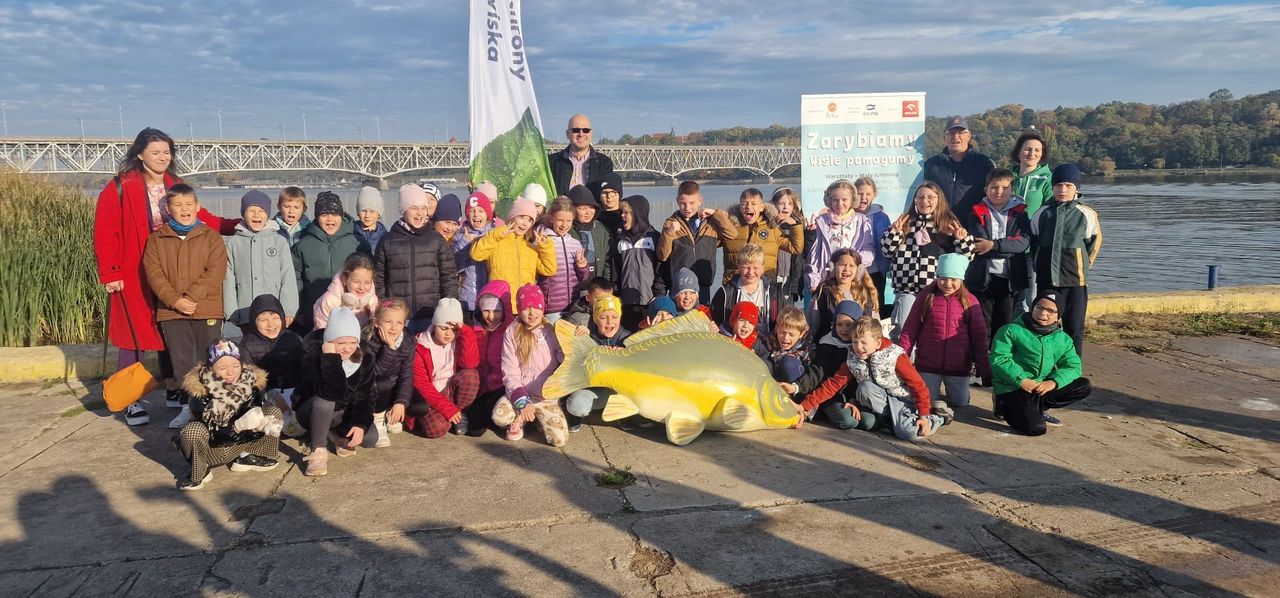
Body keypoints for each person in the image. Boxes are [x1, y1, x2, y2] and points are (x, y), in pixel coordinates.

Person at [93, 127, 235, 426]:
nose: (162, 157)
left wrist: (236, 224)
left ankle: (175, 390)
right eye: (155, 152)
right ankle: (131, 400)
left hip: (172, 269)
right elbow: (106, 230)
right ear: (140, 154)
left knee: (169, 327)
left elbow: (200, 217)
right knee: (132, 336)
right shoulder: (120, 186)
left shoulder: (175, 184)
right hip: (132, 272)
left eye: (166, 152)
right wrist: (110, 271)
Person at [141, 184, 228, 430]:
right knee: (181, 360)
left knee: (209, 357)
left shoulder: (211, 236)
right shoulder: (157, 239)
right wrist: (176, 300)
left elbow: (216, 272)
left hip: (206, 308)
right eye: (178, 205)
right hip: (172, 311)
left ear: (198, 207)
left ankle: (213, 405)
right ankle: (187, 407)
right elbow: (154, 274)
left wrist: (191, 296)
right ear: (168, 209)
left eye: (189, 204)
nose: (184, 209)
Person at [798, 317, 951, 439]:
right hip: (880, 399)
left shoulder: (894, 356)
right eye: (854, 342)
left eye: (864, 342)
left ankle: (936, 417)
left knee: (906, 432)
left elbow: (917, 384)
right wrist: (805, 405)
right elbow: (833, 384)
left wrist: (923, 415)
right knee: (865, 387)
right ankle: (892, 421)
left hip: (902, 399)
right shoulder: (853, 358)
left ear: (878, 342)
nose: (858, 347)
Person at [174, 339, 283, 490]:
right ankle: (200, 471)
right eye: (222, 368)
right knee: (192, 430)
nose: (231, 372)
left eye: (235, 366)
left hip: (241, 444)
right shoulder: (200, 392)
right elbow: (212, 435)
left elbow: (254, 419)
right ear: (210, 368)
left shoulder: (250, 385)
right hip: (212, 449)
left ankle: (250, 456)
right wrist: (237, 427)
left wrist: (261, 425)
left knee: (273, 412)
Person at [882, 182, 976, 340]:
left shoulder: (948, 225)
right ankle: (904, 364)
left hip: (935, 291)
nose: (925, 201)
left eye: (930, 197)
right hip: (907, 289)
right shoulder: (904, 224)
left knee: (933, 332)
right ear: (915, 201)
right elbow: (887, 251)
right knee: (903, 331)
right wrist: (894, 233)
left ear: (939, 200)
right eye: (921, 197)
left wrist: (962, 239)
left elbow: (967, 257)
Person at [990, 291, 1093, 434]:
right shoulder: (1010, 330)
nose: (1043, 313)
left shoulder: (1063, 339)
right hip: (1013, 386)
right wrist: (1022, 380)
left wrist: (1053, 382)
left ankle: (1039, 408)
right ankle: (1002, 403)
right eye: (1039, 307)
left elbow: (1073, 367)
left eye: (1051, 310)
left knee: (1083, 386)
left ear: (1058, 316)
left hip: (1040, 386)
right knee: (1035, 429)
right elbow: (999, 359)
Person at [897, 254, 993, 408]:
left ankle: (960, 393)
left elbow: (979, 339)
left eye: (953, 279)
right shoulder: (926, 297)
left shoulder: (970, 301)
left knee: (959, 403)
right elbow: (910, 329)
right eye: (943, 278)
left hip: (958, 366)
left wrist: (986, 371)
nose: (948, 284)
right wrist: (902, 361)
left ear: (961, 280)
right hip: (928, 363)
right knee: (927, 402)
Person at [1030, 164, 1101, 358]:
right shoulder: (1042, 213)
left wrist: (1082, 267)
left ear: (1076, 188)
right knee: (1043, 324)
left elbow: (1093, 244)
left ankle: (1071, 369)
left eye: (1068, 185)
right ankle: (1043, 365)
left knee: (1074, 327)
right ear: (1052, 187)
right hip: (1046, 280)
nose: (1063, 190)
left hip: (1074, 281)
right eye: (1059, 185)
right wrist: (1039, 265)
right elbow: (1034, 242)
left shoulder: (1086, 214)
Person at [294, 307, 375, 477]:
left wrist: (360, 424)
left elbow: (365, 395)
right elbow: (332, 393)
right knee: (325, 402)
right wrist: (330, 359)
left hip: (339, 413)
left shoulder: (364, 357)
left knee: (370, 438)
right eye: (341, 343)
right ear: (329, 342)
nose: (347, 349)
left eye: (352, 342)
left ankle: (335, 433)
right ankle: (318, 449)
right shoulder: (313, 355)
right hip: (312, 411)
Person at [492, 285, 569, 446]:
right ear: (519, 309)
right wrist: (522, 402)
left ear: (543, 308)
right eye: (526, 308)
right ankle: (521, 418)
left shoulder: (552, 331)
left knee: (559, 440)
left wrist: (576, 337)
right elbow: (510, 372)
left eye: (536, 307)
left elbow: (567, 359)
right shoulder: (512, 332)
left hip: (546, 395)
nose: (532, 313)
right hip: (522, 391)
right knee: (499, 416)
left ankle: (538, 418)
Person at [373, 184, 458, 332]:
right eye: (414, 208)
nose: (419, 213)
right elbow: (379, 278)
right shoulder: (387, 241)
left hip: (431, 313)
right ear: (404, 210)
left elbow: (448, 277)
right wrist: (385, 306)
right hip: (398, 317)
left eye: (423, 208)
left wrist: (448, 308)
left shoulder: (436, 240)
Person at [291, 191, 371, 334]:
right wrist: (299, 310)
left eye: (334, 215)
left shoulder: (357, 244)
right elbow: (296, 279)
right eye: (324, 215)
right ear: (316, 217)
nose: (329, 219)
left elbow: (369, 278)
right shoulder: (303, 244)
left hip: (351, 314)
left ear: (341, 215)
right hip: (314, 314)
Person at [965, 169, 1032, 342]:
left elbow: (1022, 243)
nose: (999, 191)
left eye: (1004, 187)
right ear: (986, 189)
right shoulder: (976, 212)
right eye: (994, 187)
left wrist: (994, 245)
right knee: (982, 325)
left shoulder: (1020, 214)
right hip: (983, 277)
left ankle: (1000, 363)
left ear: (1012, 190)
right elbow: (980, 242)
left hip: (1010, 279)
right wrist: (1006, 243)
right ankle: (982, 365)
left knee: (1005, 325)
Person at [405, 298, 482, 438]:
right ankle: (444, 417)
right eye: (443, 328)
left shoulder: (459, 340)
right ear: (435, 325)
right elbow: (421, 385)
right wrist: (447, 409)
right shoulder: (420, 346)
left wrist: (466, 332)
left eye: (454, 330)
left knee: (471, 375)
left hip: (450, 391)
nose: (448, 334)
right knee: (437, 429)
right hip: (430, 395)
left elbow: (470, 364)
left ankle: (460, 413)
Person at [223, 190, 298, 332]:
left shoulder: (278, 241)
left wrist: (288, 309)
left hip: (274, 312)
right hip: (245, 311)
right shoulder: (233, 243)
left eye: (261, 210)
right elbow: (228, 279)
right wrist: (231, 311)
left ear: (268, 214)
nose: (256, 215)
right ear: (243, 213)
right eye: (251, 210)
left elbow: (288, 277)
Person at [470, 197, 558, 312]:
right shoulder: (497, 241)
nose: (525, 223)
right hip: (499, 306)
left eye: (530, 220)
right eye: (522, 217)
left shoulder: (530, 248)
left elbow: (549, 269)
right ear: (512, 216)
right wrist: (497, 235)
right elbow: (476, 254)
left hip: (524, 307)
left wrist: (545, 247)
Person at [658, 181, 736, 304]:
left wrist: (716, 213)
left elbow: (732, 234)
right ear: (677, 201)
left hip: (703, 283)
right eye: (683, 203)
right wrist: (669, 233)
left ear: (700, 201)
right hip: (680, 286)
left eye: (692, 203)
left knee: (702, 318)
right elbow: (662, 256)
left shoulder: (711, 222)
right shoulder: (670, 223)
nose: (687, 208)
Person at [563, 294, 631, 432]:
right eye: (603, 317)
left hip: (619, 391)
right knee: (577, 406)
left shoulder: (629, 338)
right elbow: (572, 367)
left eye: (614, 317)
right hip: (594, 389)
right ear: (595, 319)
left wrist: (623, 355)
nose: (609, 322)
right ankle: (573, 414)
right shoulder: (588, 336)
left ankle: (625, 415)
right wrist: (580, 341)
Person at [238, 294, 304, 432]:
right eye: (263, 320)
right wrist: (270, 394)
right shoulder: (246, 345)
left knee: (299, 427)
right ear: (253, 321)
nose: (271, 324)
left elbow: (306, 369)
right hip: (267, 395)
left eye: (275, 318)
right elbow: (250, 379)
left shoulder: (293, 338)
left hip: (295, 392)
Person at [793, 301, 861, 426]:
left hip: (854, 397)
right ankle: (821, 409)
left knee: (867, 421)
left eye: (849, 325)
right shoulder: (827, 344)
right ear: (834, 325)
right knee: (848, 421)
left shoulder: (861, 346)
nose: (844, 329)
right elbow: (816, 372)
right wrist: (796, 387)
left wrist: (854, 400)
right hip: (828, 395)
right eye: (840, 324)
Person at [1010, 130, 1053, 316]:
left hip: (1032, 249)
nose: (1032, 153)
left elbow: (1052, 210)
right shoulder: (1007, 178)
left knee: (1031, 299)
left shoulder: (1048, 179)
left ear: (1042, 154)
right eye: (1027, 149)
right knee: (1010, 300)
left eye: (1037, 150)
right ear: (1018, 152)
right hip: (1008, 247)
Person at [722, 188, 804, 285]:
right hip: (734, 284)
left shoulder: (771, 227)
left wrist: (795, 225)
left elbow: (796, 248)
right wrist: (717, 217)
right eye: (744, 204)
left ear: (761, 207)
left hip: (765, 283)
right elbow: (709, 244)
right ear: (739, 207)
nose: (748, 207)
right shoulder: (730, 226)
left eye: (753, 204)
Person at [361, 299, 415, 448]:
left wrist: (400, 402)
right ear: (377, 322)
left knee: (420, 407)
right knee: (382, 382)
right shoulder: (368, 339)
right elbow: (374, 373)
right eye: (388, 322)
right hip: (373, 389)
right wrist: (390, 348)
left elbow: (407, 374)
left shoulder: (408, 341)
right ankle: (378, 420)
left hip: (393, 388)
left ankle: (390, 412)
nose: (393, 327)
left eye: (399, 322)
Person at [805, 180, 874, 294]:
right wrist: (814, 282)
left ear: (852, 200)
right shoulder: (821, 222)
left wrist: (852, 260)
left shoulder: (861, 221)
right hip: (827, 280)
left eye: (844, 200)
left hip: (853, 282)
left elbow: (869, 251)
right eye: (835, 200)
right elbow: (814, 256)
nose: (840, 204)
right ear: (829, 201)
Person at [611, 194, 664, 331]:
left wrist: (657, 296)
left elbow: (661, 270)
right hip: (626, 302)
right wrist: (617, 294)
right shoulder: (620, 239)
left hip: (649, 302)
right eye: (622, 212)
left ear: (638, 214)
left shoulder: (655, 238)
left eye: (626, 212)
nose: (622, 215)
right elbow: (615, 270)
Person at [923, 116, 995, 212]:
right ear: (945, 137)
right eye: (951, 133)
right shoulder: (931, 165)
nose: (955, 136)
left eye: (961, 132)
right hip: (940, 224)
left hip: (974, 224)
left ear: (969, 136)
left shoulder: (984, 163)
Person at [470, 281, 514, 437]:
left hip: (504, 386)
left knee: (492, 409)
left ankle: (509, 418)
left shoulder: (510, 331)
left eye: (497, 311)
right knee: (474, 429)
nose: (491, 316)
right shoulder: (476, 330)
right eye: (486, 311)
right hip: (483, 386)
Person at [808, 249, 879, 339]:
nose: (846, 269)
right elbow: (812, 324)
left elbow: (876, 325)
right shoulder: (823, 294)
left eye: (851, 266)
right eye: (842, 265)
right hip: (830, 345)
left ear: (859, 270)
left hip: (859, 346)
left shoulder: (865, 294)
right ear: (832, 267)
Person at [538, 197, 590, 320]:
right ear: (551, 218)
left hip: (574, 307)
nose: (564, 225)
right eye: (560, 220)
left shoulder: (575, 243)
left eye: (568, 221)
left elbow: (583, 277)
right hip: (551, 308)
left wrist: (582, 267)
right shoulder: (543, 241)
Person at [711, 244, 778, 335]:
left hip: (765, 344)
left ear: (763, 268)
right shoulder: (726, 292)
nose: (750, 272)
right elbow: (716, 321)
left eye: (755, 268)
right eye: (746, 267)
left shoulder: (775, 292)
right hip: (735, 343)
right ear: (738, 266)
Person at [453, 191, 501, 316]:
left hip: (491, 300)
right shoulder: (460, 236)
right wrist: (464, 243)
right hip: (467, 299)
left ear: (487, 214)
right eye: (472, 211)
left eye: (480, 211)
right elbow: (455, 264)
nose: (476, 215)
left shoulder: (495, 235)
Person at [852, 177, 894, 319]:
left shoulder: (882, 217)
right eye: (860, 194)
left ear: (874, 194)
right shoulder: (848, 216)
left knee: (875, 307)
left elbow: (888, 243)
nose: (863, 197)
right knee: (855, 307)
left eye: (868, 194)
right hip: (852, 272)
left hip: (875, 271)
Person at [549, 114, 615, 196]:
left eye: (586, 130)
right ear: (567, 134)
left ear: (591, 133)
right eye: (575, 130)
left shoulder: (604, 163)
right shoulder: (552, 161)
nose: (581, 134)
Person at [312, 253, 378, 330]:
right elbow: (321, 327)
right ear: (345, 279)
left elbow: (372, 328)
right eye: (356, 281)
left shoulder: (372, 300)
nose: (362, 287)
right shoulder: (330, 300)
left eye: (367, 282)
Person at [762, 306, 813, 398]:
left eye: (791, 334)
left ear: (801, 334)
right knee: (765, 362)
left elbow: (811, 376)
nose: (786, 338)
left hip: (798, 387)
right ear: (776, 328)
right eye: (782, 332)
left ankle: (798, 401)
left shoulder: (806, 349)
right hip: (775, 385)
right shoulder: (768, 341)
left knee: (789, 362)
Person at [568, 185, 613, 281]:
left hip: (597, 286)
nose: (588, 212)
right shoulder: (566, 230)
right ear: (572, 209)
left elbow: (607, 261)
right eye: (582, 208)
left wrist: (605, 283)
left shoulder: (601, 230)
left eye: (592, 207)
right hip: (573, 286)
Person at [770, 187, 806, 304]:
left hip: (790, 278)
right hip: (772, 274)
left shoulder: (799, 225)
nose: (786, 207)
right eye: (781, 203)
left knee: (787, 311)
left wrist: (795, 225)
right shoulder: (769, 225)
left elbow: (803, 250)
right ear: (774, 205)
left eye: (790, 203)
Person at [353, 186, 388, 252]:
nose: (367, 215)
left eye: (372, 211)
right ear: (358, 212)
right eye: (363, 211)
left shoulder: (386, 238)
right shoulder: (350, 235)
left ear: (379, 214)